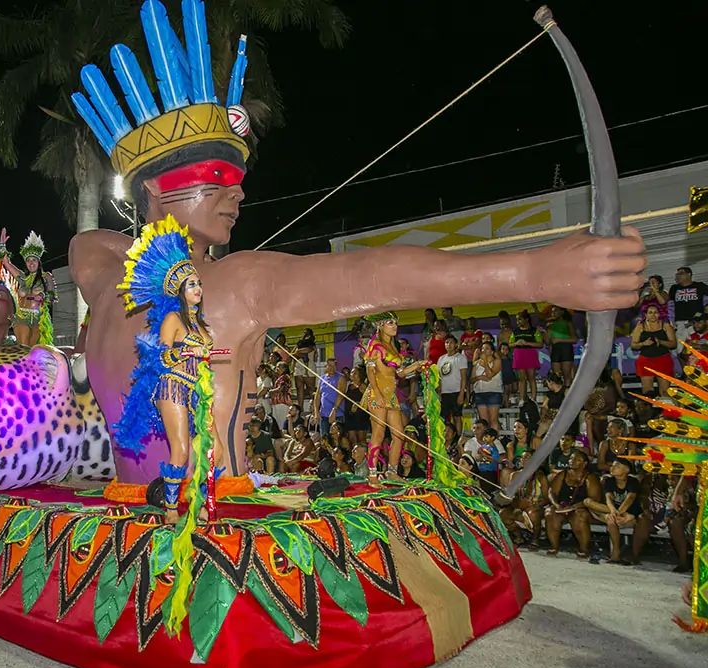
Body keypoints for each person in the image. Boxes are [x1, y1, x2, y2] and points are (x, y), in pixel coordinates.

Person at [67, 0, 648, 486]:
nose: (237, 192)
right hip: (215, 525)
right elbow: (371, 279)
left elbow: (92, 246)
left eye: (239, 178)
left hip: (126, 524)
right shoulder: (228, 283)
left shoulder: (101, 276)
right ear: (152, 187)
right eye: (216, 175)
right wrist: (535, 274)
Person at [113, 220, 223, 524]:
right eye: (191, 285)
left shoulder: (202, 325)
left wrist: (205, 357)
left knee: (215, 450)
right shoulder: (173, 319)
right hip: (172, 387)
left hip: (197, 390)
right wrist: (186, 351)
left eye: (198, 283)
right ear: (179, 291)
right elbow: (158, 358)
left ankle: (199, 499)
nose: (197, 288)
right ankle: (172, 509)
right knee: (183, 449)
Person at [363, 312, 426, 475]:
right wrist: (376, 393)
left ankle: (391, 471)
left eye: (396, 323)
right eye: (390, 323)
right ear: (380, 325)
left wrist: (418, 364)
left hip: (391, 395)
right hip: (378, 393)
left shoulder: (393, 346)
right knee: (378, 434)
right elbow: (370, 372)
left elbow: (401, 373)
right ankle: (372, 474)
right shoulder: (375, 344)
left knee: (399, 435)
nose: (395, 326)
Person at [585, 459, 651, 565]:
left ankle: (624, 554)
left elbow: (630, 499)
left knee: (611, 519)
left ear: (626, 470)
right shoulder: (609, 481)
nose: (612, 468)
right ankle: (615, 553)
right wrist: (613, 511)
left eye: (617, 466)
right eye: (612, 466)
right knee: (589, 503)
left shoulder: (632, 482)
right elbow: (608, 498)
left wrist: (620, 513)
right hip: (614, 512)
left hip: (628, 514)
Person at [0, 229, 58, 347]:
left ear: (39, 261)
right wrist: (2, 245)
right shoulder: (22, 277)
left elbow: (53, 297)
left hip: (39, 320)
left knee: (35, 351)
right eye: (28, 261)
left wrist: (43, 296)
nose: (31, 263)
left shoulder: (46, 277)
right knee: (24, 349)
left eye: (34, 260)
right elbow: (6, 263)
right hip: (22, 318)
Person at [545, 451, 601, 558]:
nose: (572, 461)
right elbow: (551, 492)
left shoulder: (590, 478)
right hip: (563, 506)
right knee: (550, 513)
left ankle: (583, 548)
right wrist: (556, 505)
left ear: (584, 464)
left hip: (581, 508)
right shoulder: (563, 474)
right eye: (571, 458)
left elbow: (595, 498)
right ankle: (554, 546)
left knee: (579, 516)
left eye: (576, 459)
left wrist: (575, 507)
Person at [630, 305, 676, 396]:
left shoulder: (665, 326)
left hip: (663, 360)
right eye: (650, 313)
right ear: (646, 315)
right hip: (645, 361)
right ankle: (649, 409)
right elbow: (633, 345)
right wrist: (643, 344)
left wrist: (661, 342)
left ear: (659, 314)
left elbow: (673, 344)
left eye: (655, 312)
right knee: (647, 391)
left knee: (665, 392)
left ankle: (665, 409)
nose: (653, 315)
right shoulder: (640, 327)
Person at [510, 310, 543, 403]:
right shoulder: (515, 331)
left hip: (530, 353)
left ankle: (533, 398)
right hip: (519, 354)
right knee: (522, 378)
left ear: (526, 319)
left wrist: (527, 343)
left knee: (531, 377)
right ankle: (522, 399)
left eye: (520, 319)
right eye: (517, 320)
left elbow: (540, 344)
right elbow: (509, 344)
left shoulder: (534, 330)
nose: (518, 322)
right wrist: (516, 343)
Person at [668, 266, 708, 342]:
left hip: (696, 323)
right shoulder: (674, 288)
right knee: (680, 349)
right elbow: (666, 302)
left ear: (689, 274)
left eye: (681, 273)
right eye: (677, 274)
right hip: (680, 324)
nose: (678, 275)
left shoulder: (699, 286)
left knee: (698, 346)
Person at [437, 336, 468, 434]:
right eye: (446, 342)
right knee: (444, 417)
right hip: (445, 392)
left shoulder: (460, 358)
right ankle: (446, 437)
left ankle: (457, 438)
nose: (448, 344)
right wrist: (439, 391)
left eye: (451, 342)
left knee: (457, 416)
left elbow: (463, 377)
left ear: (456, 345)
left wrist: (461, 393)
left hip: (456, 391)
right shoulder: (441, 359)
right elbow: (439, 378)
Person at [542, 306, 578, 387]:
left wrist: (560, 340)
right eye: (552, 312)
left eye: (555, 311)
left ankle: (567, 395)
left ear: (562, 312)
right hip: (555, 350)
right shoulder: (550, 325)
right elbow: (547, 342)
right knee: (556, 376)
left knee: (567, 375)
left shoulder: (568, 323)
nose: (553, 313)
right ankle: (559, 395)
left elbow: (575, 339)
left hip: (566, 349)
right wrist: (545, 332)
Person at [471, 340, 502, 431]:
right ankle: (485, 441)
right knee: (484, 421)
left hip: (493, 393)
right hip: (480, 393)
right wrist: (479, 377)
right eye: (482, 348)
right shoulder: (476, 363)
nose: (484, 350)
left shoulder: (497, 362)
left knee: (493, 420)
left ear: (492, 352)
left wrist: (485, 362)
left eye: (487, 349)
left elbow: (489, 375)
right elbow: (472, 379)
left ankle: (494, 440)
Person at [312, 358, 346, 436]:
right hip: (323, 414)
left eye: (334, 366)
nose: (332, 368)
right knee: (324, 438)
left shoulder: (341, 378)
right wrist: (316, 411)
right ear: (326, 366)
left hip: (337, 414)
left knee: (336, 437)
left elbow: (340, 395)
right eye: (330, 365)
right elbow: (317, 396)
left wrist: (334, 410)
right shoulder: (322, 379)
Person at [292, 329, 317, 412]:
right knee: (299, 389)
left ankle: (314, 408)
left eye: (307, 333)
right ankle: (300, 409)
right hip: (298, 367)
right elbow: (292, 354)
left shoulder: (312, 344)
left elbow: (308, 350)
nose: (305, 334)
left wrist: (298, 352)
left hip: (309, 366)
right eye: (304, 333)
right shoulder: (299, 343)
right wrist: (297, 352)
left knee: (311, 389)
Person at [344, 366, 369, 445]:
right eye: (352, 372)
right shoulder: (348, 385)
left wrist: (359, 404)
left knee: (361, 438)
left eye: (355, 373)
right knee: (352, 439)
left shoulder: (363, 386)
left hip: (361, 415)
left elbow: (368, 400)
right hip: (350, 415)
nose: (352, 374)